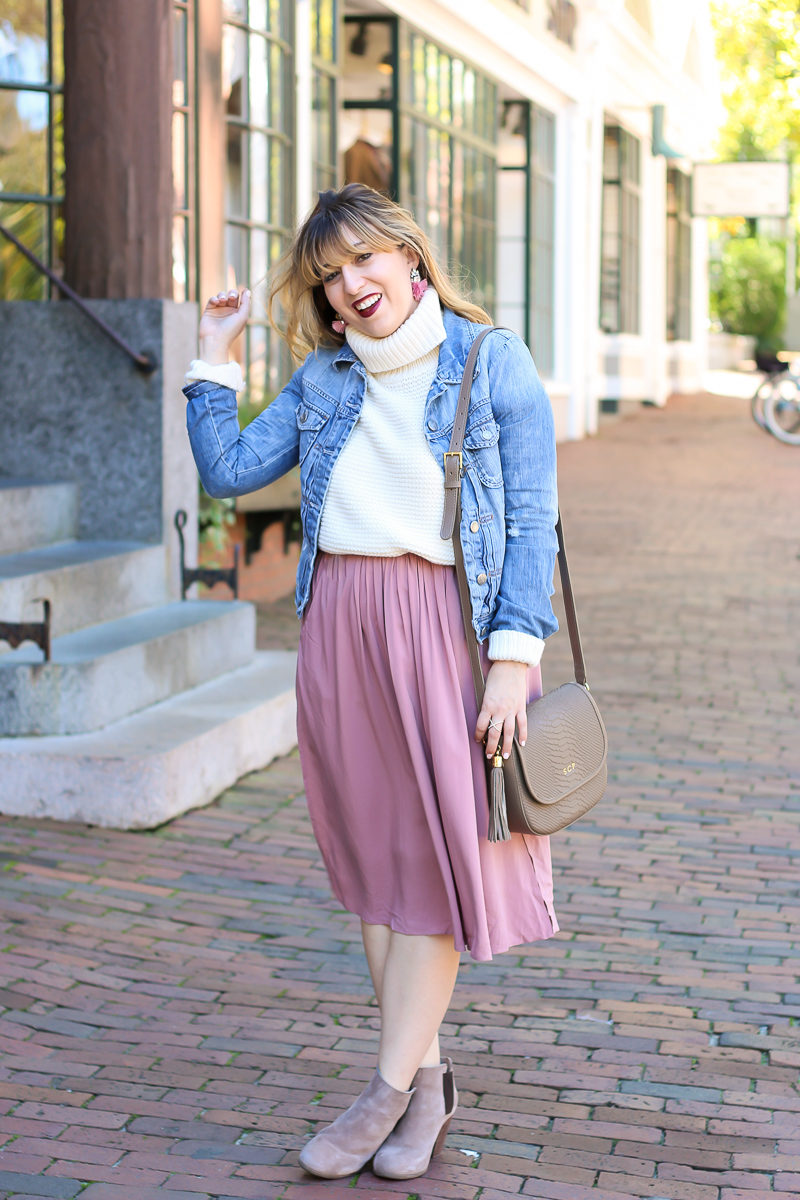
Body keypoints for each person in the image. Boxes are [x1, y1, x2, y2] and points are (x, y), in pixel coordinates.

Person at [183, 182, 560, 1181]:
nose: (349, 286)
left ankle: (382, 1092)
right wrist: (213, 355)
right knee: (373, 867)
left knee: (432, 864)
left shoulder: (490, 362)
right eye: (327, 276)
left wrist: (512, 662)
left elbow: (530, 515)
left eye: (362, 260)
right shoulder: (325, 378)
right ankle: (426, 1083)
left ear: (409, 256)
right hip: (341, 627)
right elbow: (226, 471)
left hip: (443, 628)